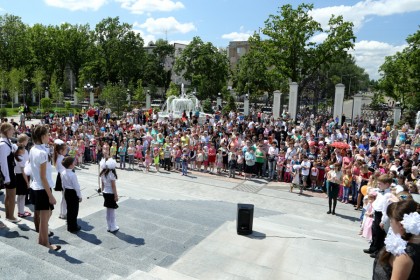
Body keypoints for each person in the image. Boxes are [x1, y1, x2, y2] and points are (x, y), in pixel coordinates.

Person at [30, 125, 60, 251]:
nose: (49, 137)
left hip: (36, 186)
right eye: (47, 135)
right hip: (42, 188)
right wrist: (51, 195)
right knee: (44, 216)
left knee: (44, 216)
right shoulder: (41, 153)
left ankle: (41, 239)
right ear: (42, 137)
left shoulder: (33, 149)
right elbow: (43, 177)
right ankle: (45, 242)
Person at [373, 199, 420, 279]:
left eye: (391, 220)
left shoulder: (404, 256)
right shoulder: (406, 245)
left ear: (401, 225)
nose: (390, 224)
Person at [364, 174, 393, 258]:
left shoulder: (388, 195)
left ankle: (378, 251)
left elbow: (386, 209)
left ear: (387, 184)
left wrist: (383, 221)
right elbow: (376, 203)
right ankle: (372, 247)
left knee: (379, 234)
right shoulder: (380, 192)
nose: (378, 185)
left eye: (380, 184)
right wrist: (372, 212)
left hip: (382, 215)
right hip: (376, 213)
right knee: (374, 231)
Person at [0, 122, 20, 224]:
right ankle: (10, 216)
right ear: (7, 131)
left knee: (9, 196)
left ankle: (8, 215)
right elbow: (3, 163)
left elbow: (14, 147)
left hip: (10, 171)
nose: (14, 131)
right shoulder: (3, 145)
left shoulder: (7, 142)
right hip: (8, 173)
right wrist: (7, 178)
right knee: (11, 196)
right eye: (12, 129)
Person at [61, 156, 82, 233]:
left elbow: (62, 184)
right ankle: (73, 226)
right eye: (73, 162)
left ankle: (69, 225)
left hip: (67, 192)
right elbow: (76, 187)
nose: (74, 163)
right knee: (74, 210)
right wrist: (79, 196)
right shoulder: (73, 175)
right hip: (73, 193)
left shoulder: (63, 173)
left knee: (69, 209)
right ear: (70, 165)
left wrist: (64, 191)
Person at [100, 157, 119, 233]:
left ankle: (109, 226)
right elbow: (113, 186)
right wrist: (116, 195)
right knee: (112, 211)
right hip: (110, 193)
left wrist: (102, 190)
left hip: (105, 192)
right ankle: (113, 226)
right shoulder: (111, 174)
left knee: (108, 211)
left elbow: (102, 184)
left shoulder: (102, 173)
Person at [14, 144, 31, 218]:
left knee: (20, 196)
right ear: (19, 150)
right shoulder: (20, 158)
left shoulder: (16, 157)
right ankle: (21, 212)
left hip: (18, 177)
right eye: (23, 149)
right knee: (22, 196)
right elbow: (23, 171)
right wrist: (27, 182)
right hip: (21, 178)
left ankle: (20, 211)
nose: (24, 150)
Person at [53, 139, 67, 219]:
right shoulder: (61, 158)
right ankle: (63, 213)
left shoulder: (58, 157)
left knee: (63, 197)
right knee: (65, 197)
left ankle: (62, 212)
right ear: (61, 150)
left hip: (61, 176)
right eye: (65, 149)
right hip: (63, 177)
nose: (66, 151)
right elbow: (64, 169)